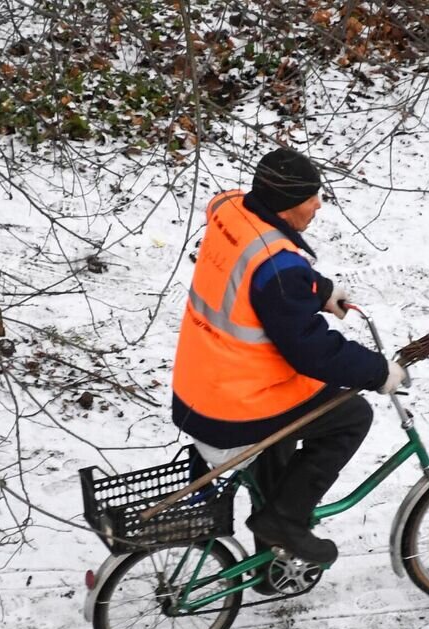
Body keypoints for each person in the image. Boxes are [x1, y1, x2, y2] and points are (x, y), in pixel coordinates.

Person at [172, 147, 406, 571]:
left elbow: (268, 282)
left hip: (197, 389)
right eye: (310, 197)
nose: (318, 205)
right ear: (285, 204)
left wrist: (317, 291)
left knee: (284, 428)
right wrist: (377, 371)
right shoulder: (277, 267)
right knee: (351, 415)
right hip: (230, 409)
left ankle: (269, 566)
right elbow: (310, 350)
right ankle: (285, 519)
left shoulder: (230, 210)